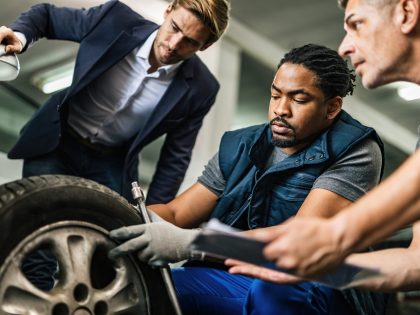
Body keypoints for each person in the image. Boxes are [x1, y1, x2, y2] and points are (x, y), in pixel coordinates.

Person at [110, 44, 387, 315]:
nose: (281, 109)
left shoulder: (356, 149)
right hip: (236, 274)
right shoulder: (240, 144)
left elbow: (297, 242)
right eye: (275, 95)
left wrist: (192, 243)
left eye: (298, 99)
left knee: (274, 289)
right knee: (147, 287)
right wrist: (113, 218)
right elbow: (177, 212)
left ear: (332, 107)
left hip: (316, 285)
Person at [0, 0, 229, 292]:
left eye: (190, 42)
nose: (174, 44)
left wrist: (154, 217)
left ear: (205, 46)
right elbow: (47, 17)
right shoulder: (114, 19)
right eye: (174, 28)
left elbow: (175, 157)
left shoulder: (202, 88)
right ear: (168, 10)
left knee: (102, 255)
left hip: (111, 165)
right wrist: (19, 37)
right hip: (57, 143)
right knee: (38, 244)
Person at [225, 0, 420, 291]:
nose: (344, 48)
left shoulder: (356, 146)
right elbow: (414, 265)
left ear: (407, 12)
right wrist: (321, 270)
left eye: (356, 24)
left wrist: (333, 236)